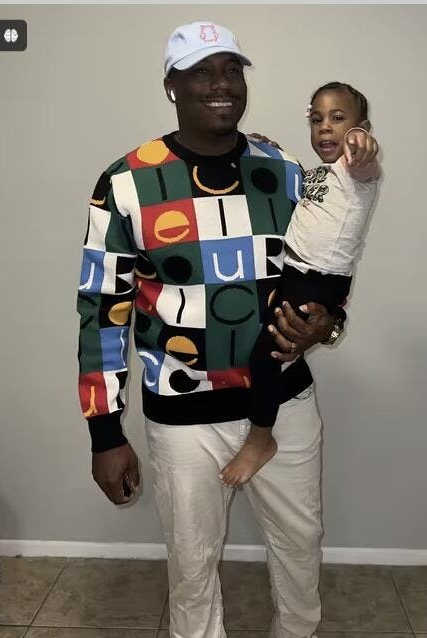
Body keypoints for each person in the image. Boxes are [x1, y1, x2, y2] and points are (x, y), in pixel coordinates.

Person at [77, 21, 379, 638]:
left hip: (285, 403)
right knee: (192, 573)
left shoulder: (284, 170)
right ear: (172, 86)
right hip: (183, 416)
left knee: (301, 553)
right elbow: (102, 310)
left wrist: (328, 324)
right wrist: (104, 432)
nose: (222, 84)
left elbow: (327, 261)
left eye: (232, 70)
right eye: (202, 72)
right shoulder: (127, 181)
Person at [220, 81, 380, 487]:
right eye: (316, 119)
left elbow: (366, 160)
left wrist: (362, 144)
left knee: (266, 355)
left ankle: (260, 440)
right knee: (269, 343)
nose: (325, 127)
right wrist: (269, 150)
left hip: (319, 278)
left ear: (361, 128)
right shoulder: (322, 173)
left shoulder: (357, 171)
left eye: (338, 119)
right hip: (296, 272)